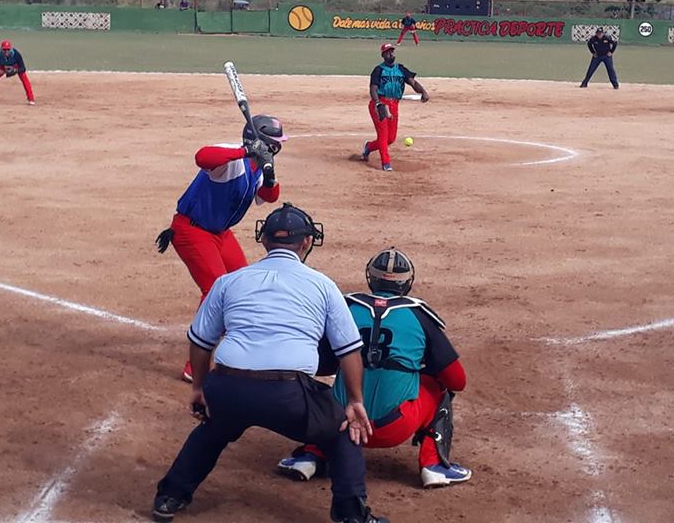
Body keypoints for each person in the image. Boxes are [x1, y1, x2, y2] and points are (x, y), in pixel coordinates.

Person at [152, 203, 389, 523]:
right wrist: (356, 401)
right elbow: (348, 351)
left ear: (263, 240)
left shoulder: (229, 281)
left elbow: (201, 342)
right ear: (307, 242)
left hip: (228, 386)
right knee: (344, 429)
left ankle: (169, 497)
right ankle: (351, 515)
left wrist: (199, 388)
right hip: (287, 394)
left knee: (214, 427)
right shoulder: (322, 285)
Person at [278, 248, 471, 488]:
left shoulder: (347, 307)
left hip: (342, 424)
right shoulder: (420, 316)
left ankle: (310, 455)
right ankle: (434, 465)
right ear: (407, 282)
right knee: (437, 385)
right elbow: (457, 381)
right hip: (394, 427)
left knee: (321, 392)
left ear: (371, 278)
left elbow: (320, 364)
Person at [155, 115, 286, 382]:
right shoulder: (233, 159)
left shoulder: (257, 166)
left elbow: (269, 197)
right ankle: (195, 367)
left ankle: (243, 346)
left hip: (220, 234)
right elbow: (202, 157)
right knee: (215, 291)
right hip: (192, 230)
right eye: (275, 143)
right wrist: (246, 151)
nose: (278, 148)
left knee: (244, 286)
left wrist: (270, 176)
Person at [361, 43, 429, 172]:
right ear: (383, 55)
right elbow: (373, 89)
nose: (390, 54)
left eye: (391, 52)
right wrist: (377, 103)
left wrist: (423, 92)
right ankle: (386, 163)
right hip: (380, 104)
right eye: (387, 52)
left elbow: (413, 82)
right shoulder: (378, 70)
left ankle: (368, 147)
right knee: (383, 135)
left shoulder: (401, 69)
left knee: (390, 139)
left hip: (394, 105)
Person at [0, 39, 35, 105]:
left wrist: (15, 70)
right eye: (4, 49)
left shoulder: (16, 54)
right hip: (1, 66)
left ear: (10, 49)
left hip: (15, 66)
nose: (6, 51)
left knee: (24, 79)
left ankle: (31, 98)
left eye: (8, 49)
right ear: (1, 49)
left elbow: (23, 68)